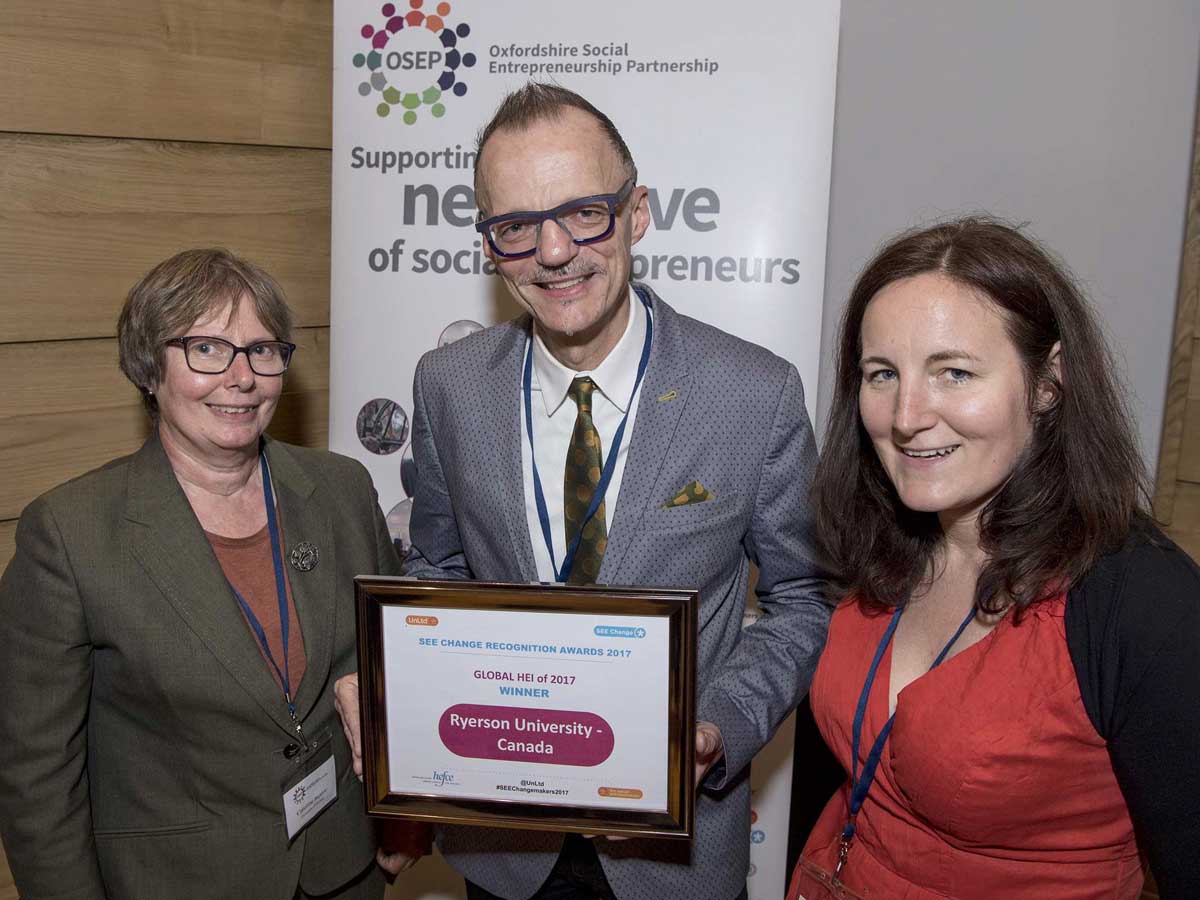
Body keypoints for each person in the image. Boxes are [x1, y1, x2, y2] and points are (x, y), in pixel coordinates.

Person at [335, 83, 832, 900]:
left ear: (636, 212)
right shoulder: (448, 386)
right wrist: (396, 676)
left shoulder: (753, 392)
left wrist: (717, 728)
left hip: (674, 852)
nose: (555, 251)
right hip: (503, 845)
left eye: (583, 213)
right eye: (517, 226)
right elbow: (439, 568)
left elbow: (804, 595)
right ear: (490, 245)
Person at [788, 218, 1200, 899]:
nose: (907, 415)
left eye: (954, 372)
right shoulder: (879, 534)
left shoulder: (1142, 602)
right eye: (882, 374)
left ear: (1048, 382)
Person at [0, 249, 423, 899]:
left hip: (345, 870)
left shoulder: (341, 491)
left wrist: (404, 819)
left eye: (262, 350)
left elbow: (394, 666)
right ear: (149, 367)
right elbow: (36, 779)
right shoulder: (70, 535)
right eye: (207, 349)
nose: (242, 377)